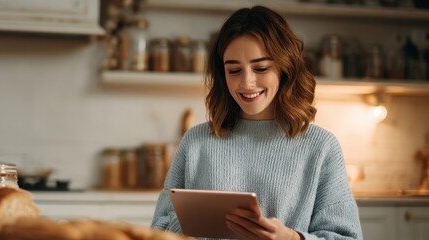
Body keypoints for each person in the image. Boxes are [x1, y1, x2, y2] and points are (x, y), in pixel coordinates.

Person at [151, 5, 363, 240]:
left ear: (285, 68)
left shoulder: (321, 147)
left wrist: (292, 238)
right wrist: (195, 222)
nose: (247, 83)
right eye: (234, 70)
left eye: (261, 68)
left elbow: (348, 238)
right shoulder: (195, 142)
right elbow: (157, 230)